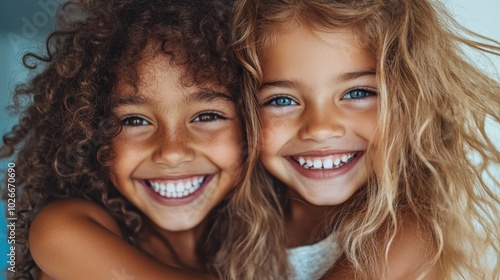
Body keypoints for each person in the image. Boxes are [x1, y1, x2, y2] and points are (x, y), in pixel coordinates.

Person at [0, 0, 281, 279]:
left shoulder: (269, 235)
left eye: (207, 116)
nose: (172, 152)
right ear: (90, 134)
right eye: (134, 121)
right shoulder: (64, 228)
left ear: (251, 123)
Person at [229, 0, 500, 279]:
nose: (321, 129)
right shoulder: (238, 222)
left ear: (410, 100)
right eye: (282, 99)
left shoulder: (403, 235)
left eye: (357, 93)